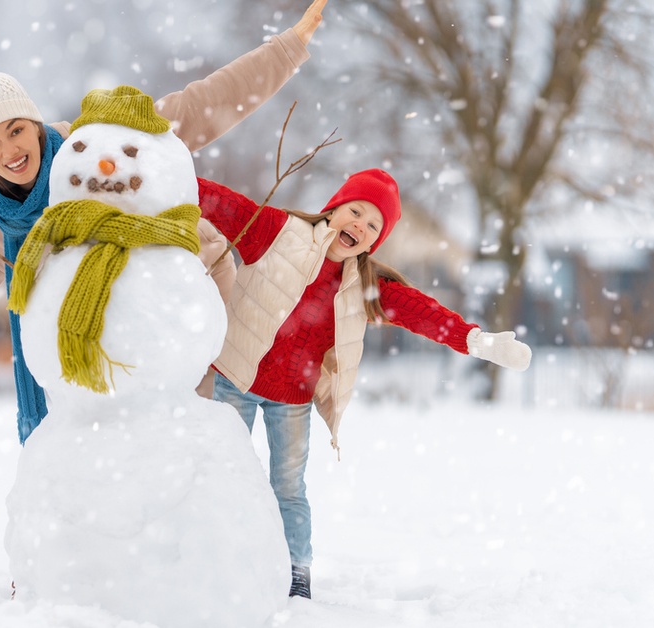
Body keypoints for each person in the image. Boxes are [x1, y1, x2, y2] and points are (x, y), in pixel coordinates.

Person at [0, 0, 330, 444]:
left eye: (15, 130)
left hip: (179, 320)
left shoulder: (96, 145)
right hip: (98, 360)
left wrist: (286, 49)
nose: (9, 151)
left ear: (34, 123)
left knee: (186, 450)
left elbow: (201, 105)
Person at [196, 170, 533, 600]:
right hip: (233, 378)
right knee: (221, 474)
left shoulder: (365, 285)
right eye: (355, 211)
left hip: (292, 399)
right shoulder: (277, 232)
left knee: (287, 488)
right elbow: (221, 202)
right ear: (334, 208)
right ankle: (216, 558)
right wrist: (159, 164)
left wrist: (475, 340)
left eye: (373, 225)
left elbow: (420, 312)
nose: (360, 225)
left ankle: (297, 570)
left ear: (376, 241)